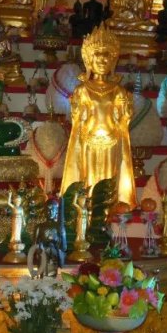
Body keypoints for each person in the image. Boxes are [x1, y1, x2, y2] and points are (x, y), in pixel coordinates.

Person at [61, 25, 137, 208]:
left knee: (110, 178)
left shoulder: (118, 90)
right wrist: (76, 108)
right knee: (89, 179)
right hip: (89, 141)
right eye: (97, 55)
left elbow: (124, 118)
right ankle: (86, 209)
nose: (102, 60)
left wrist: (127, 109)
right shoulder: (82, 90)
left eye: (107, 56)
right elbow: (77, 119)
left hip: (112, 140)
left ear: (113, 61)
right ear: (89, 60)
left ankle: (109, 208)